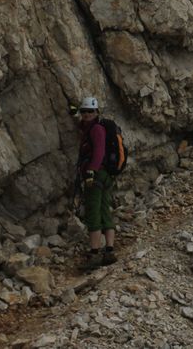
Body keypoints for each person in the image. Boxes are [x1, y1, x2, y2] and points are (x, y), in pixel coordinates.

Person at [75, 96, 117, 269]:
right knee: (104, 209)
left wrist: (91, 170)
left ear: (96, 112)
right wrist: (73, 113)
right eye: (83, 111)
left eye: (89, 111)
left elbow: (99, 151)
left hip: (96, 175)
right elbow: (81, 123)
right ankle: (109, 251)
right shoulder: (91, 126)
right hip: (105, 175)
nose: (86, 114)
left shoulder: (96, 130)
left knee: (93, 211)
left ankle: (94, 255)